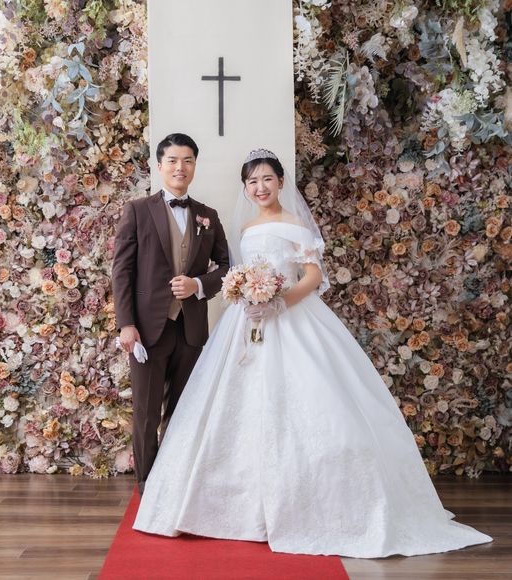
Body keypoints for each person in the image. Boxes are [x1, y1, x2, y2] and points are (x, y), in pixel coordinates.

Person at [131, 148, 493, 558]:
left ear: (281, 182)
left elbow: (313, 276)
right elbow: (237, 273)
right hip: (246, 321)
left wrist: (279, 302)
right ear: (245, 188)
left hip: (291, 317)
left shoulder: (296, 224)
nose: (260, 187)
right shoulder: (245, 228)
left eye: (267, 179)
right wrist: (246, 295)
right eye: (252, 182)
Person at [111, 133, 229, 496]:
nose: (181, 167)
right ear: (160, 165)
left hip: (190, 329)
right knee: (146, 412)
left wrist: (198, 284)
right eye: (173, 161)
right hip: (147, 329)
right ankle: (147, 486)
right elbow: (122, 271)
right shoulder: (137, 210)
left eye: (188, 160)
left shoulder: (208, 216)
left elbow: (226, 266)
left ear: (194, 166)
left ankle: (175, 483)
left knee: (183, 409)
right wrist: (126, 324)